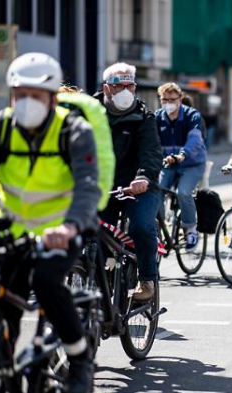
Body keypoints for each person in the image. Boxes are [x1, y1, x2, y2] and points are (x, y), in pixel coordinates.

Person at [0, 53, 99, 392]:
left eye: (35, 95)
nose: (26, 102)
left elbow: (88, 185)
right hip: (8, 233)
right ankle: (1, 370)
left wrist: (70, 226)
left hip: (60, 233)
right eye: (20, 94)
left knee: (47, 282)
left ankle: (79, 358)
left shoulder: (73, 131)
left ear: (52, 98)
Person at [94, 62, 163, 302]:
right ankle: (93, 278)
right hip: (103, 186)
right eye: (118, 85)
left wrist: (143, 177)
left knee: (141, 227)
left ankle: (147, 279)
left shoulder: (144, 116)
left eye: (130, 85)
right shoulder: (90, 113)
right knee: (89, 229)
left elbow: (152, 152)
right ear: (106, 88)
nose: (125, 90)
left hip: (138, 186)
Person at [156, 83, 207, 251]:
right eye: (165, 99)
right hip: (168, 164)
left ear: (180, 99)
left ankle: (191, 230)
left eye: (172, 99)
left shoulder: (192, 115)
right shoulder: (157, 117)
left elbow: (195, 139)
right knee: (156, 191)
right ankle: (157, 230)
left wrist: (182, 155)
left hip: (192, 163)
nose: (169, 103)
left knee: (183, 192)